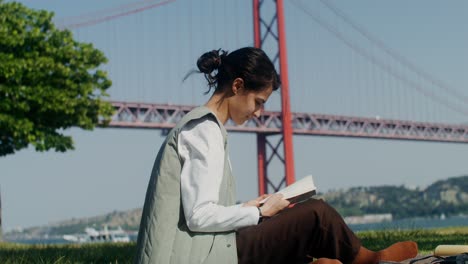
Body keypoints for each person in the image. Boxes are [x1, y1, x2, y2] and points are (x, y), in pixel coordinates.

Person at [134, 47, 419, 264]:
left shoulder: (205, 127)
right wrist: (257, 212)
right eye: (258, 102)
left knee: (282, 220)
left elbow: (197, 209)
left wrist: (250, 207)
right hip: (199, 256)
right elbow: (198, 217)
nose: (258, 113)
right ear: (237, 86)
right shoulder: (204, 130)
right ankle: (366, 261)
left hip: (207, 248)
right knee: (316, 214)